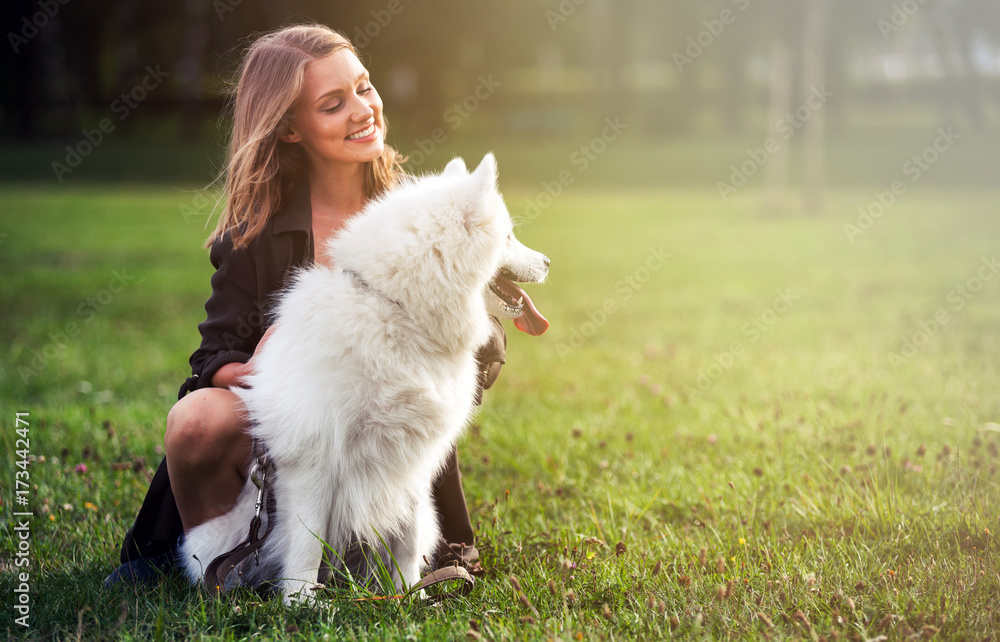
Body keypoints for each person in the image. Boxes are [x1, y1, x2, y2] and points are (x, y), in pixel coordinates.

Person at [105, 23, 505, 587]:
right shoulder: (256, 235)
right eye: (333, 103)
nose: (362, 109)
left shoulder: (420, 212)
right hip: (292, 440)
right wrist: (266, 367)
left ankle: (407, 556)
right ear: (291, 129)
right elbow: (212, 353)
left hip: (390, 435)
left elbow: (473, 340)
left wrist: (493, 317)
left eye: (364, 87)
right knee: (196, 417)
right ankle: (217, 570)